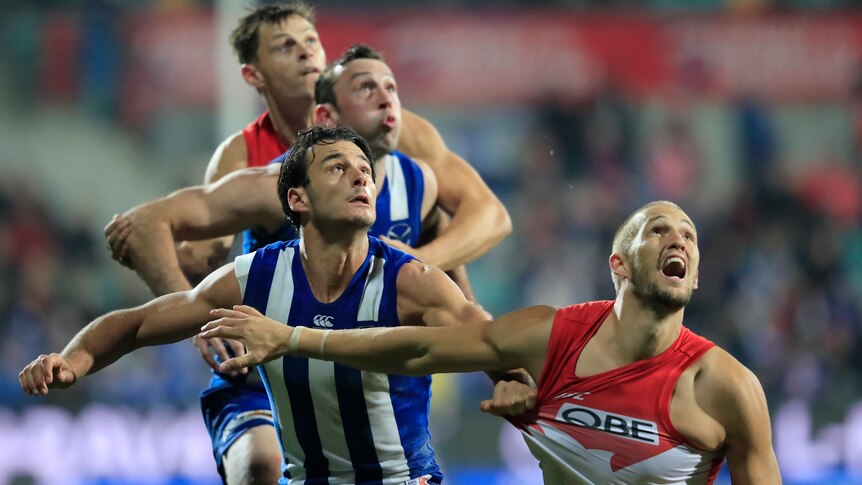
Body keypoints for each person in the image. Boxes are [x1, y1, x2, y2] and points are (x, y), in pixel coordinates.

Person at [105, 4, 511, 482]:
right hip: (272, 359)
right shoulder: (250, 162)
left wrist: (408, 269)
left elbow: (489, 217)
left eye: (311, 41)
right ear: (253, 74)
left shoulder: (398, 134)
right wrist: (202, 321)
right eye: (285, 46)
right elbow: (184, 246)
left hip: (366, 360)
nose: (306, 54)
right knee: (260, 465)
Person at [20, 126, 529, 485]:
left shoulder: (410, 281)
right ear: (298, 200)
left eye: (364, 171)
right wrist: (73, 361)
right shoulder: (257, 277)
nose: (360, 179)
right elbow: (139, 325)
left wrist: (512, 381)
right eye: (337, 168)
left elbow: (483, 336)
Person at [202, 200, 783, 484]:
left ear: (697, 273)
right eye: (656, 229)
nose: (675, 238)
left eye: (688, 235)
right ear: (620, 264)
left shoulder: (727, 388)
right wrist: (295, 338)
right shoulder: (549, 338)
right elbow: (423, 348)